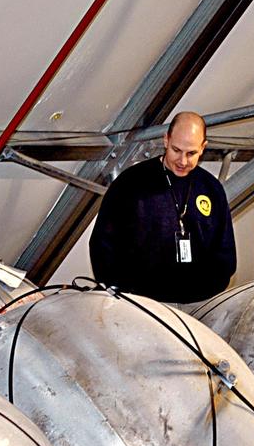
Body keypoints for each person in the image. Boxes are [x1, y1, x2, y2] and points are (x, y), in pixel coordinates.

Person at [89, 111, 235, 304]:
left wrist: (205, 292)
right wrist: (124, 295)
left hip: (199, 306)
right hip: (143, 305)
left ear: (203, 148)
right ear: (166, 140)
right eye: (176, 150)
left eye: (191, 153)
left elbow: (225, 253)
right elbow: (102, 245)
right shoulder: (131, 183)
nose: (183, 161)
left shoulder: (211, 188)